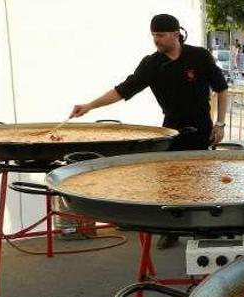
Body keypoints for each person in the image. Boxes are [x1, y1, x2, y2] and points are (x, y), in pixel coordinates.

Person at [70, 14, 229, 249]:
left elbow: (222, 89)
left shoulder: (199, 56)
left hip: (201, 128)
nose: (156, 40)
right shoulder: (152, 64)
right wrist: (90, 106)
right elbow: (122, 90)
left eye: (161, 35)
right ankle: (172, 229)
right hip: (170, 128)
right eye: (154, 35)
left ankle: (207, 229)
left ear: (176, 34)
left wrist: (220, 124)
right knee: (171, 182)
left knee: (200, 181)